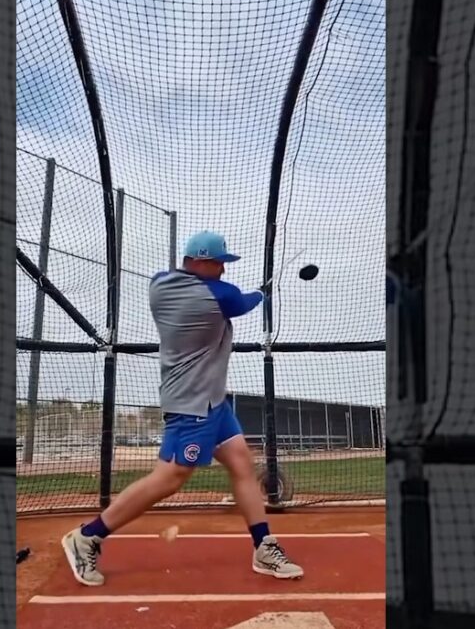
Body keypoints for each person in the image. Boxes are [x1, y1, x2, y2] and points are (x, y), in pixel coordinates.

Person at [61, 230, 304, 586]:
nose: (223, 269)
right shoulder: (218, 296)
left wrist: (249, 292)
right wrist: (264, 293)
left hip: (213, 401)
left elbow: (222, 293)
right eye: (219, 263)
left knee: (241, 462)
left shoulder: (160, 284)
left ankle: (263, 546)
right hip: (193, 404)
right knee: (170, 478)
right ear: (199, 262)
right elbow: (243, 301)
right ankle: (88, 536)